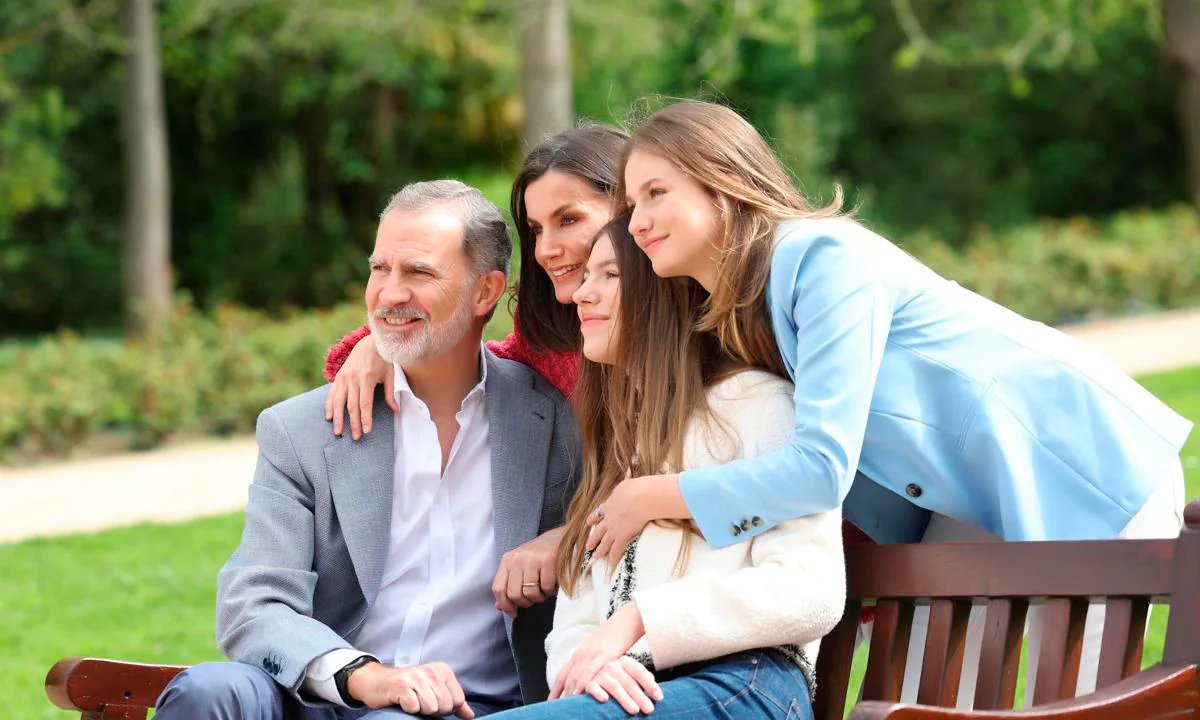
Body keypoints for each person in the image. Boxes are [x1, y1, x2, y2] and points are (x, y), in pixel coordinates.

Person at [585, 99, 1192, 703]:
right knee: (921, 701)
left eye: (656, 193)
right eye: (632, 204)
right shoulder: (745, 307)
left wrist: (656, 496)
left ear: (725, 182)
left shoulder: (818, 258)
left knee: (1077, 699)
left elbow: (821, 468)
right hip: (965, 501)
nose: (637, 222)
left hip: (1074, 459)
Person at [154, 180, 581, 720]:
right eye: (381, 269)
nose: (390, 293)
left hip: (465, 708)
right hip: (323, 690)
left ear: (485, 292)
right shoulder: (300, 430)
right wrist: (363, 675)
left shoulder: (553, 422)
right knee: (208, 692)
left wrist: (564, 538)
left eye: (419, 272)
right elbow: (253, 603)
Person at [488, 217, 843, 720]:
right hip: (638, 690)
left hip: (742, 683)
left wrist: (640, 622)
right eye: (587, 277)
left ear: (665, 292)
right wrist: (588, 664)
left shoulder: (757, 405)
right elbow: (579, 611)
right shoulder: (624, 444)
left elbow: (811, 591)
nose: (581, 295)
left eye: (609, 276)